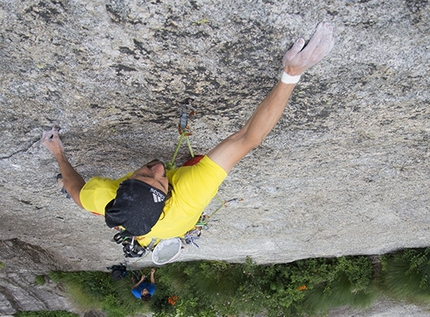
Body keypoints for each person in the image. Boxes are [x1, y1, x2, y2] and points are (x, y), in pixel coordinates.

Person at [41, 22, 334, 247]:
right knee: (197, 163)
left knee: (82, 200)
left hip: (149, 227)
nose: (158, 169)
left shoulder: (104, 197)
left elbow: (78, 194)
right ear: (169, 197)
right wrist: (291, 74)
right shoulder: (190, 193)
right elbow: (247, 139)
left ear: (123, 184)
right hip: (177, 225)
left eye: (145, 174)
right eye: (161, 182)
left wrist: (59, 154)